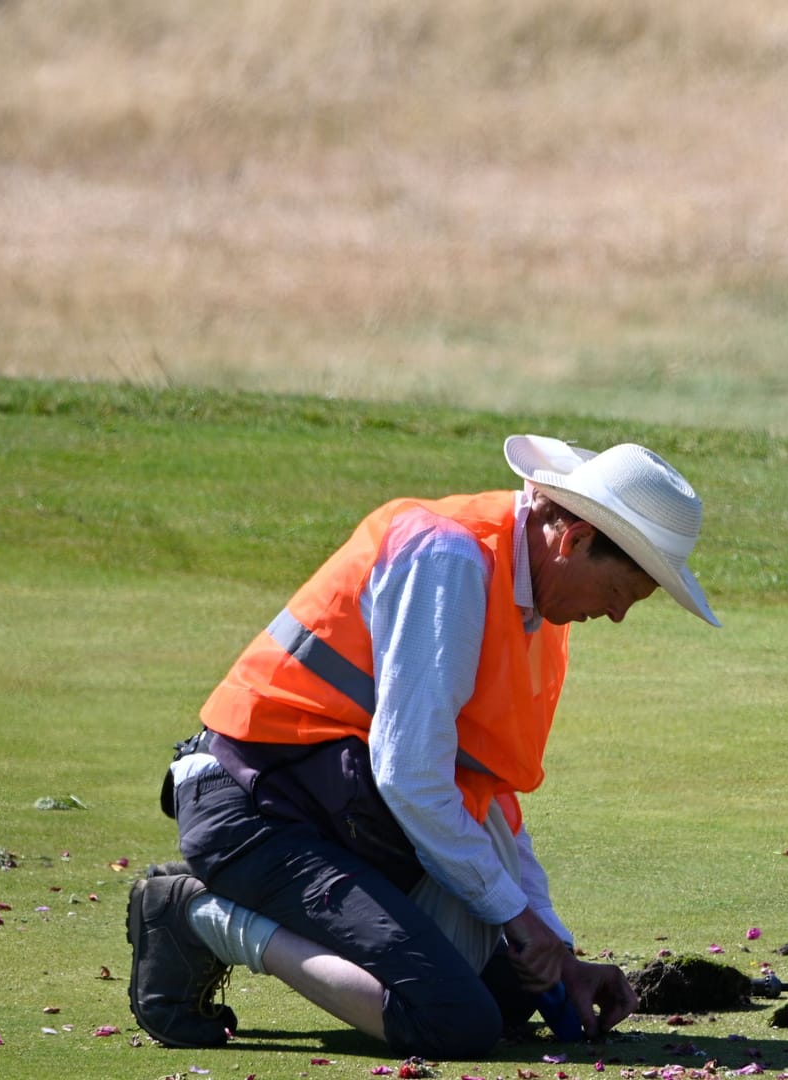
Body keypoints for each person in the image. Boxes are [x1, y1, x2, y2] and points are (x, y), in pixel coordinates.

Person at [127, 435, 719, 1057]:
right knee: (455, 1022)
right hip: (253, 809)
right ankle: (195, 916)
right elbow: (411, 776)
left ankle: (232, 911)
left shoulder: (531, 610)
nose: (617, 616)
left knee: (517, 991)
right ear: (573, 542)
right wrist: (516, 918)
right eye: (619, 595)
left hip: (338, 812)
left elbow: (488, 799)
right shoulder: (450, 560)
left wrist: (553, 945)